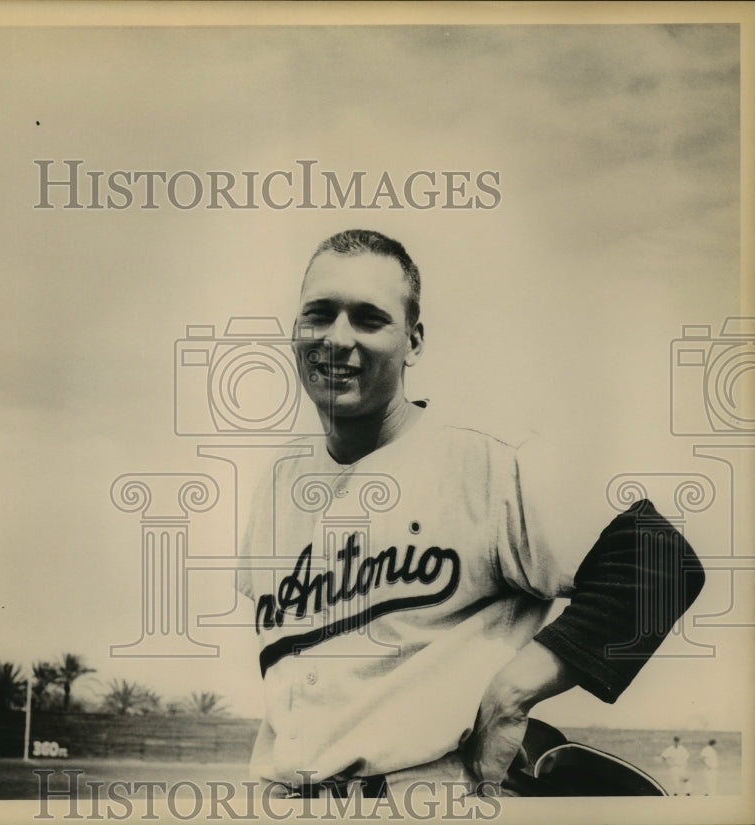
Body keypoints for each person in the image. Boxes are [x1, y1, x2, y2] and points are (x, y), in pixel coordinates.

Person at [237, 229, 706, 799]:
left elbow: (659, 563)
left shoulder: (482, 459)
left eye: (368, 318)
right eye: (319, 314)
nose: (337, 338)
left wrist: (515, 691)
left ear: (413, 341)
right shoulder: (278, 486)